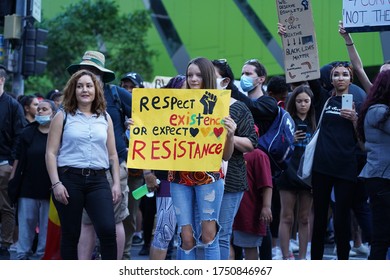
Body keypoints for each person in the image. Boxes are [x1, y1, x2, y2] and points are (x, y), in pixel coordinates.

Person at [45, 69, 121, 260]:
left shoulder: (105, 117)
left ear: (96, 90)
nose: (84, 90)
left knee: (107, 230)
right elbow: (50, 153)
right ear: (73, 90)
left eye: (88, 86)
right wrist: (56, 184)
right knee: (71, 235)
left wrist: (117, 183)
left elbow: (112, 154)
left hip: (98, 181)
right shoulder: (62, 116)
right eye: (79, 86)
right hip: (69, 180)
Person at [168, 57, 236, 260]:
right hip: (179, 176)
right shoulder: (174, 104)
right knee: (186, 237)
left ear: (207, 76)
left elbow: (226, 155)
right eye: (190, 75)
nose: (194, 79)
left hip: (209, 177)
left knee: (209, 236)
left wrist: (230, 135)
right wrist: (139, 129)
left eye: (198, 74)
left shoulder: (220, 105)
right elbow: (159, 134)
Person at [66, 51, 132, 260]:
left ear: (101, 75)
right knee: (86, 222)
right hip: (82, 172)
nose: (88, 77)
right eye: (83, 72)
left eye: (93, 72)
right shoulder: (72, 103)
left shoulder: (117, 95)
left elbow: (147, 117)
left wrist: (134, 128)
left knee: (115, 220)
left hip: (115, 167)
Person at [310, 62, 362, 260]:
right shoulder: (323, 99)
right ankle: (315, 261)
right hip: (322, 166)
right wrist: (288, 38)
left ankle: (343, 261)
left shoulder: (357, 105)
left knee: (341, 219)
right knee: (320, 219)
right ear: (330, 79)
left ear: (350, 79)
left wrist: (355, 119)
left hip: (346, 168)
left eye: (345, 75)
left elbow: (363, 143)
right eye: (336, 75)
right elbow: (307, 71)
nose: (340, 78)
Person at [211, 59, 258, 260]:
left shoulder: (238, 108)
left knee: (221, 235)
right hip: (198, 179)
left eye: (210, 76)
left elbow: (251, 143)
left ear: (225, 81)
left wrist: (228, 136)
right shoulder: (191, 106)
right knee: (199, 234)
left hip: (230, 181)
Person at [10, 100, 57, 260]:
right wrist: (12, 180)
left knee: (46, 227)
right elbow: (18, 158)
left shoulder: (59, 134)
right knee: (26, 224)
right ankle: (22, 254)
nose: (40, 111)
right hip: (27, 187)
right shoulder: (27, 133)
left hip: (50, 189)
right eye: (39, 109)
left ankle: (42, 256)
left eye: (45, 109)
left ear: (53, 113)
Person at [276, 85, 316, 260]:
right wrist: (290, 139)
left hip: (307, 175)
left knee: (305, 217)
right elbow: (276, 146)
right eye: (299, 101)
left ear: (311, 102)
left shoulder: (316, 122)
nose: (302, 104)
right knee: (286, 216)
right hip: (288, 172)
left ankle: (302, 258)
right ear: (293, 102)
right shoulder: (286, 120)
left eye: (306, 101)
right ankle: (286, 256)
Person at [149, 75, 186, 260]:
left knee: (188, 237)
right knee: (164, 232)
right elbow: (147, 142)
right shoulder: (159, 116)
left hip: (195, 182)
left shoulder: (203, 114)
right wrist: (148, 171)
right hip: (168, 180)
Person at [357, 69, 390, 259]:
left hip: (381, 177)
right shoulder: (379, 111)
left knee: (382, 234)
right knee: (381, 235)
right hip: (381, 178)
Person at [119, 71, 148, 258]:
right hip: (114, 172)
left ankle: (125, 254)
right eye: (125, 87)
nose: (128, 90)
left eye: (132, 87)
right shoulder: (115, 110)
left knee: (130, 215)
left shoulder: (148, 115)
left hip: (137, 177)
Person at [0, 65, 26, 259]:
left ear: (1, 80)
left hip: (4, 164)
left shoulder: (12, 105)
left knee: (6, 206)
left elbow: (20, 136)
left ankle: (5, 244)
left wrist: (12, 163)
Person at [232, 148, 273, 260]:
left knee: (250, 247)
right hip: (231, 212)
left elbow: (266, 184)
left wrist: (266, 206)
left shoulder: (258, 155)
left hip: (248, 212)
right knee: (229, 247)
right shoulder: (226, 152)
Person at [338, 20, 390, 94]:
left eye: (388, 73)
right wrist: (347, 38)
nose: (384, 76)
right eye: (381, 74)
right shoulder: (375, 94)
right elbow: (358, 68)